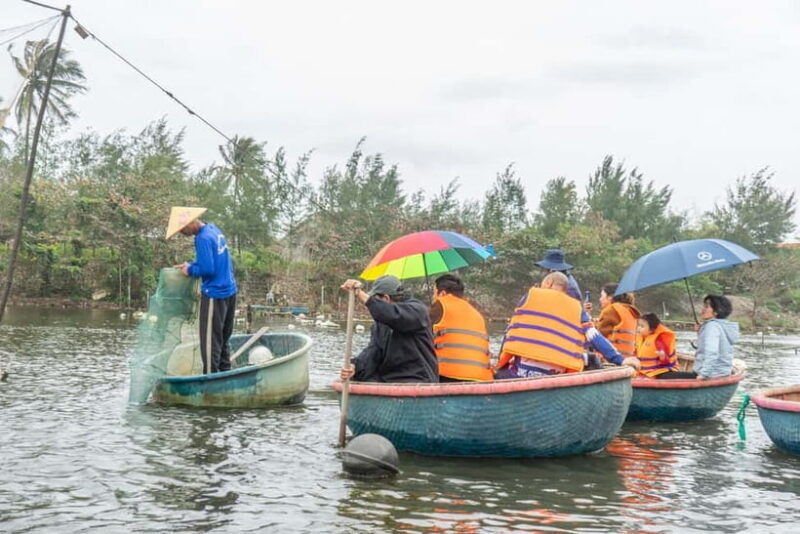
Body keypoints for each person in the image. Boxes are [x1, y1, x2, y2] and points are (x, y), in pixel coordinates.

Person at [495, 272, 640, 379]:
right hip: (555, 375)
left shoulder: (530, 297)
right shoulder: (576, 308)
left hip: (520, 373)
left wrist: (499, 366)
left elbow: (510, 332)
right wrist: (620, 359)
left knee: (500, 372)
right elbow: (594, 336)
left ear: (549, 283)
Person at [167, 206, 237, 374]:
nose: (182, 232)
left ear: (191, 222)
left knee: (210, 340)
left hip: (215, 293)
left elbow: (208, 269)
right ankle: (225, 372)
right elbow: (212, 261)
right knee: (223, 337)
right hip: (230, 290)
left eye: (182, 228)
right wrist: (191, 264)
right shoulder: (213, 230)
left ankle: (211, 377)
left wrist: (190, 270)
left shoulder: (202, 238)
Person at [339, 275, 438, 383]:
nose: (371, 307)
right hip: (389, 379)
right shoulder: (380, 324)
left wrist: (360, 293)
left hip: (418, 378)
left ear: (386, 298)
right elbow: (373, 351)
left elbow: (394, 315)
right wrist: (355, 367)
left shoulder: (417, 311)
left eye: (376, 300)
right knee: (363, 375)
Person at [429, 273, 492, 382]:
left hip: (447, 376)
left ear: (442, 293)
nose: (433, 297)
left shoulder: (440, 305)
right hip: (481, 378)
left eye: (434, 293)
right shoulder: (477, 314)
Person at [659, 295, 740, 380]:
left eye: (706, 307)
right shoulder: (721, 326)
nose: (703, 309)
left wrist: (703, 375)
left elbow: (712, 352)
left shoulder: (712, 326)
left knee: (663, 376)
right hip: (722, 373)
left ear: (717, 311)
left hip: (711, 375)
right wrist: (700, 332)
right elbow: (710, 347)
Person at [595, 283, 641, 360]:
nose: (600, 299)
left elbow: (597, 335)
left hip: (612, 359)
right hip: (628, 359)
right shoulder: (630, 311)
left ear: (610, 298)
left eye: (602, 296)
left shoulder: (610, 310)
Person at [635, 312, 679, 378]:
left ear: (651, 330)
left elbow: (667, 361)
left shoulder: (659, 340)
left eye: (642, 326)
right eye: (638, 325)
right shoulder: (640, 338)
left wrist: (662, 356)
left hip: (659, 371)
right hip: (644, 371)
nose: (638, 328)